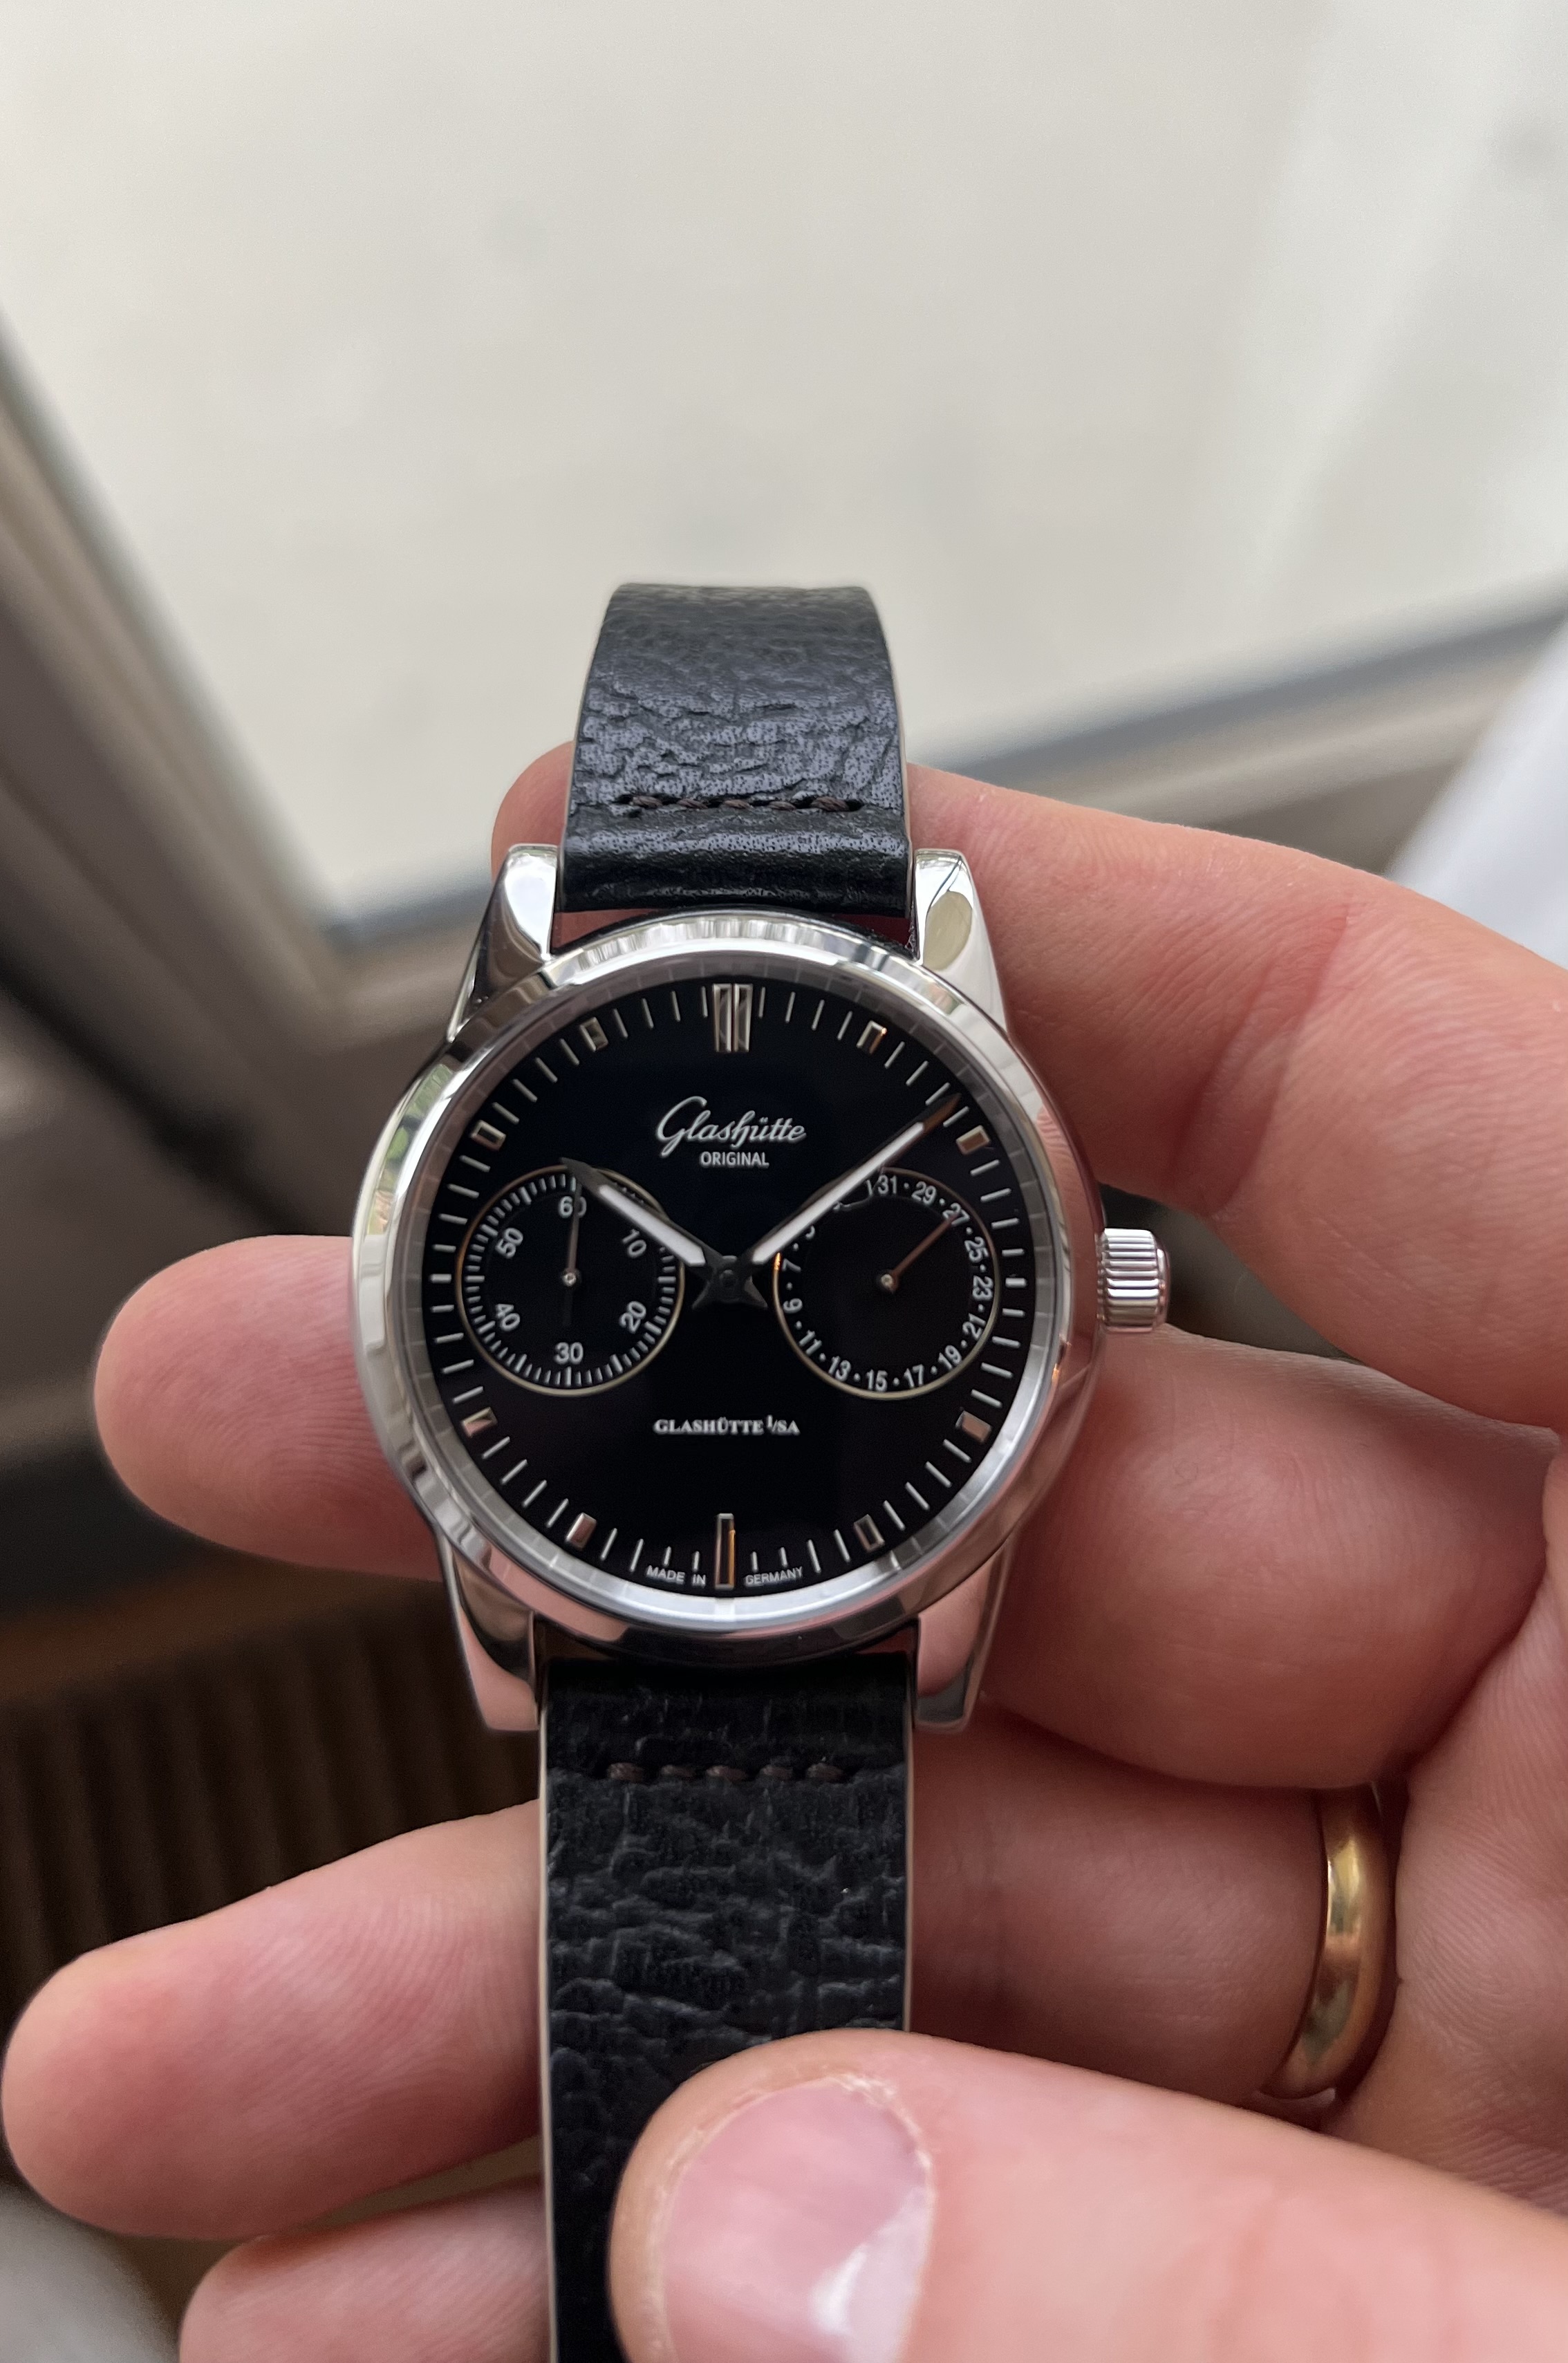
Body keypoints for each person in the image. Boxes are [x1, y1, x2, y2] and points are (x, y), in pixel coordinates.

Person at [4, 747, 1567, 2363]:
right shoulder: (811, 969)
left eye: (887, 1259)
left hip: (805, 1567)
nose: (738, 1283)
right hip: (663, 1561)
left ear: (1094, 1287)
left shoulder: (753, 979)